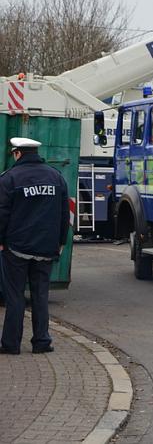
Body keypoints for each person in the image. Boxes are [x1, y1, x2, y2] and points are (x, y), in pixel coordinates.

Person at [0, 137, 69, 355]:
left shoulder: (9, 179)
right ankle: (41, 342)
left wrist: (1, 242)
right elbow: (64, 215)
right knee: (40, 296)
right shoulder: (56, 177)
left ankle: (11, 344)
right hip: (46, 249)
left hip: (16, 248)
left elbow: (2, 214)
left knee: (15, 296)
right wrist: (60, 242)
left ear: (17, 153)